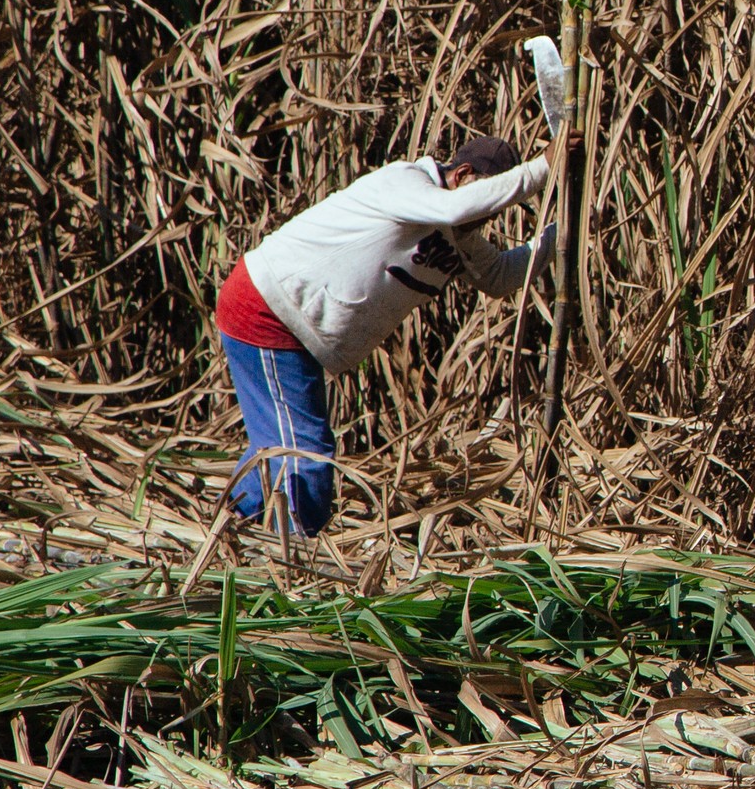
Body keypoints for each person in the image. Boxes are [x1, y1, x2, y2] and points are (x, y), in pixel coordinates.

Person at [215, 134, 560, 537]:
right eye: (487, 203)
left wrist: (562, 230)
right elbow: (455, 208)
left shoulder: (458, 233)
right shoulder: (408, 182)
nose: (485, 219)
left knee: (280, 444)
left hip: (293, 325)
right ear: (463, 174)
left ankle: (233, 533)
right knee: (302, 454)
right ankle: (292, 568)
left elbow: (498, 276)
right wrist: (544, 168)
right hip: (268, 310)